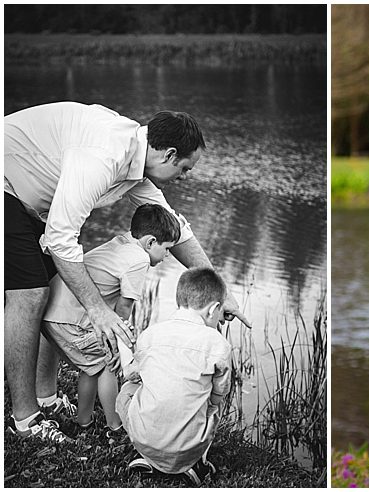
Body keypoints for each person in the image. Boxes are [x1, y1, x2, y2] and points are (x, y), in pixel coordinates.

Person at [4, 101, 248, 442]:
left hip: (30, 199)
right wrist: (98, 309)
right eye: (185, 169)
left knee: (54, 287)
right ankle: (26, 420)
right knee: (30, 294)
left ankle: (47, 397)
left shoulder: (135, 162)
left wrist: (221, 291)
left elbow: (174, 229)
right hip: (5, 185)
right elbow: (60, 239)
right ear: (169, 154)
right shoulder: (106, 155)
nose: (182, 179)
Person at [36, 204, 181, 437]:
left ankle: (83, 420)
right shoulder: (139, 260)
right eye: (167, 250)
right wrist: (117, 343)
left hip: (53, 312)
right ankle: (115, 424)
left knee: (92, 367)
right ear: (151, 242)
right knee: (107, 363)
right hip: (68, 320)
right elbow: (124, 306)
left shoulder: (121, 243)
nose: (167, 257)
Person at [118, 267, 232, 486]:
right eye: (220, 312)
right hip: (191, 444)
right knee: (212, 401)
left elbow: (131, 374)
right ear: (214, 309)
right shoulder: (218, 344)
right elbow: (220, 390)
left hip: (144, 439)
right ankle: (196, 462)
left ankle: (149, 456)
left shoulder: (151, 334)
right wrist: (210, 406)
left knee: (130, 389)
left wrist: (124, 344)